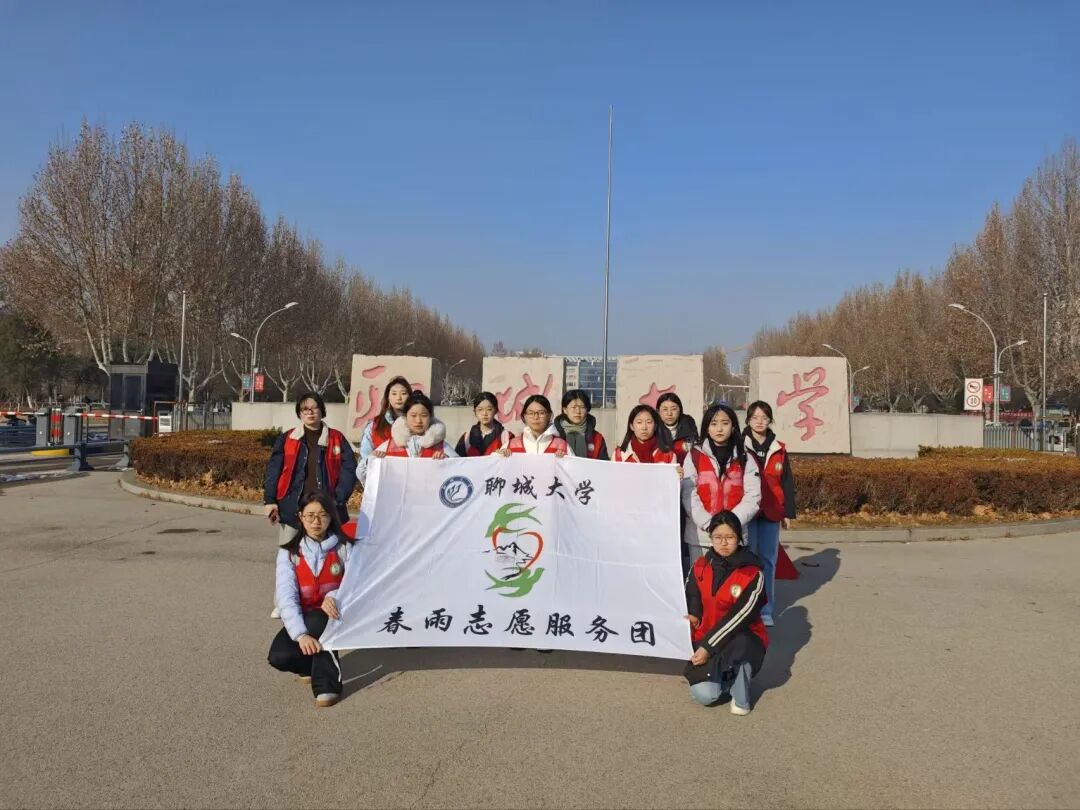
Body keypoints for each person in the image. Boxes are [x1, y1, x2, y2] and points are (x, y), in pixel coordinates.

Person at [264, 392, 357, 617]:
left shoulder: (336, 438)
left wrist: (338, 498)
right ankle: (283, 602)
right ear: (299, 413)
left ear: (322, 411)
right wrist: (270, 500)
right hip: (293, 507)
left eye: (314, 408)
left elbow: (349, 470)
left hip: (327, 509)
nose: (310, 412)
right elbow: (274, 469)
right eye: (305, 409)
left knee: (333, 555)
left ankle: (336, 597)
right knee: (289, 555)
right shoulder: (288, 438)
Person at [267, 490, 353, 708]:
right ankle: (308, 666)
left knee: (318, 620)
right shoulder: (289, 552)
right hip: (303, 617)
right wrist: (301, 635)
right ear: (300, 516)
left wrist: (334, 596)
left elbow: (355, 583)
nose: (316, 522)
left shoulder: (344, 547)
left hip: (335, 612)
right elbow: (286, 596)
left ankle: (328, 685)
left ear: (331, 517)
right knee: (278, 656)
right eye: (310, 515)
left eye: (323, 515)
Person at [683, 511, 768, 715]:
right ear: (710, 538)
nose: (723, 543)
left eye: (730, 537)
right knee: (705, 695)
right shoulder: (700, 566)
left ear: (739, 538)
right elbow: (692, 595)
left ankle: (740, 688)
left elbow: (738, 618)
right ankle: (726, 680)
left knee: (742, 646)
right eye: (718, 537)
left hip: (740, 638)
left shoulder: (753, 574)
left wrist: (707, 647)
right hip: (706, 637)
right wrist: (693, 615)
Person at [681, 402, 761, 563]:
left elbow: (753, 496)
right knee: (701, 577)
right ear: (707, 428)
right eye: (713, 424)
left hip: (734, 536)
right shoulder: (694, 456)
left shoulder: (745, 457)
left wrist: (730, 524)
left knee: (734, 578)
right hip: (701, 536)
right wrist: (709, 524)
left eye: (725, 423)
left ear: (733, 427)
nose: (719, 429)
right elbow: (689, 494)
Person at [743, 401, 797, 627]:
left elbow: (786, 481)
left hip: (771, 512)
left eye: (764, 418)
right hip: (747, 511)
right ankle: (746, 609)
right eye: (755, 417)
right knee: (747, 560)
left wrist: (788, 512)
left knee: (768, 561)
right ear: (748, 420)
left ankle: (766, 609)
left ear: (770, 421)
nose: (759, 422)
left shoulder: (778, 448)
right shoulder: (740, 445)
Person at [366, 391, 455, 482]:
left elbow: (459, 469)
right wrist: (375, 460)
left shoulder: (441, 446)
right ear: (405, 417)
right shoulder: (390, 446)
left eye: (424, 415)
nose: (418, 421)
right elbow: (364, 472)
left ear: (431, 417)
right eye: (413, 415)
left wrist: (447, 462)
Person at [357, 376, 411, 483]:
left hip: (410, 481)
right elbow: (364, 459)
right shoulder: (374, 425)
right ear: (388, 397)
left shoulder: (417, 424)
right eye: (394, 393)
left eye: (403, 393)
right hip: (382, 481)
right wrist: (372, 458)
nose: (399, 397)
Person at [612, 404, 679, 466]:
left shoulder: (668, 455)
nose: (644, 427)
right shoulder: (619, 455)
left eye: (649, 422)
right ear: (631, 426)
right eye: (639, 422)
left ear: (655, 426)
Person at [553, 389, 609, 460]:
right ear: (565, 410)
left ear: (587, 409)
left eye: (582, 407)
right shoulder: (553, 435)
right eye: (574, 407)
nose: (578, 411)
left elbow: (604, 464)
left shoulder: (597, 438)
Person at [455, 391, 513, 457]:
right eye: (480, 410)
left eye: (489, 409)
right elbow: (457, 460)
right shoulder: (466, 438)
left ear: (496, 410)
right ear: (475, 412)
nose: (484, 413)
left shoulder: (507, 437)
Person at [656, 392, 699, 465]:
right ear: (658, 411)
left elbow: (696, 452)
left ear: (680, 410)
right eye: (665, 409)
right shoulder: (654, 427)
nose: (669, 413)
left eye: (674, 409)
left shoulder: (689, 424)